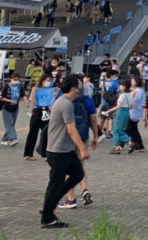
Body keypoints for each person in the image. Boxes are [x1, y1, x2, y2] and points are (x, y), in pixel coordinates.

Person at [40, 75, 89, 229]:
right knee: (55, 184)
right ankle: (47, 217)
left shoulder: (64, 102)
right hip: (58, 151)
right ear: (74, 88)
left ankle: (50, 206)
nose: (81, 89)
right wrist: (82, 148)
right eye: (80, 85)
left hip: (64, 150)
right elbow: (71, 129)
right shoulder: (65, 104)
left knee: (77, 174)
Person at [61, 79, 99, 209]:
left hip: (67, 138)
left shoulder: (64, 99)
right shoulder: (87, 100)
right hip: (83, 137)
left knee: (67, 170)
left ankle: (71, 199)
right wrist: (96, 136)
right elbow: (93, 119)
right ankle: (84, 189)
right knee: (80, 166)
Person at [24, 74, 56, 161]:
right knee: (33, 133)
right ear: (43, 80)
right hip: (37, 110)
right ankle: (29, 153)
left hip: (46, 110)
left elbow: (52, 100)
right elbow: (32, 102)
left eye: (50, 81)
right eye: (47, 81)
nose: (48, 83)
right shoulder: (35, 89)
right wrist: (34, 94)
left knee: (47, 133)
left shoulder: (50, 90)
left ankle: (46, 153)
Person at [103, 81, 132, 153]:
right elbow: (132, 106)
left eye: (121, 85)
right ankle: (119, 145)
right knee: (120, 129)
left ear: (124, 86)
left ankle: (122, 144)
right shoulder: (130, 95)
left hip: (121, 112)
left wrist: (108, 111)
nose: (119, 87)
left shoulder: (122, 95)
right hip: (127, 112)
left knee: (115, 130)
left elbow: (118, 106)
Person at [0, 72, 22, 146]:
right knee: (9, 124)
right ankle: (13, 139)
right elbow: (1, 97)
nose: (17, 81)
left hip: (15, 107)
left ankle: (4, 139)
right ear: (11, 79)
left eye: (18, 80)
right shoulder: (6, 86)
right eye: (15, 79)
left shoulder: (19, 86)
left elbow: (23, 94)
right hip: (6, 107)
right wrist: (11, 101)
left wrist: (27, 102)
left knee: (12, 124)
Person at [126, 77, 146, 153]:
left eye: (133, 80)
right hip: (134, 111)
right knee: (133, 129)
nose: (131, 81)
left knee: (129, 128)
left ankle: (133, 144)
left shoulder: (138, 91)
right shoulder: (138, 90)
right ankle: (138, 145)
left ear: (136, 82)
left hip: (135, 112)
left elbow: (135, 100)